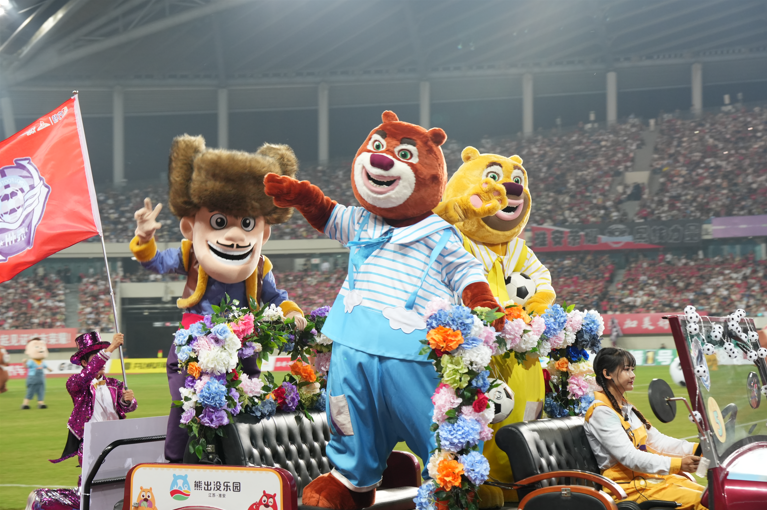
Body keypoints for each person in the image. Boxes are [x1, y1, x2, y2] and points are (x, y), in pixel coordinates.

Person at [584, 348, 705, 510]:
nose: (633, 375)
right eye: (626, 370)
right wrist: (678, 464)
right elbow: (630, 457)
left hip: (649, 481)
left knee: (711, 495)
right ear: (607, 374)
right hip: (628, 489)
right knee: (706, 502)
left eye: (632, 369)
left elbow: (658, 442)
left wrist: (698, 449)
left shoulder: (627, 408)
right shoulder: (602, 413)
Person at [27, 332, 137, 510]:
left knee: (115, 487)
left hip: (117, 441)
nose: (103, 361)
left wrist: (128, 401)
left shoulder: (115, 383)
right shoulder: (75, 384)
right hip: (91, 443)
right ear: (85, 363)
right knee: (91, 493)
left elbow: (130, 408)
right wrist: (110, 348)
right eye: (96, 356)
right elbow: (88, 374)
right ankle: (43, 499)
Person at [22, 338, 53, 409]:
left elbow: (47, 367)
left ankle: (41, 403)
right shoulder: (31, 362)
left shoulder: (42, 362)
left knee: (41, 391)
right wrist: (24, 362)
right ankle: (25, 404)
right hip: (33, 379)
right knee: (30, 391)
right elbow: (26, 367)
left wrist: (50, 369)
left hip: (41, 379)